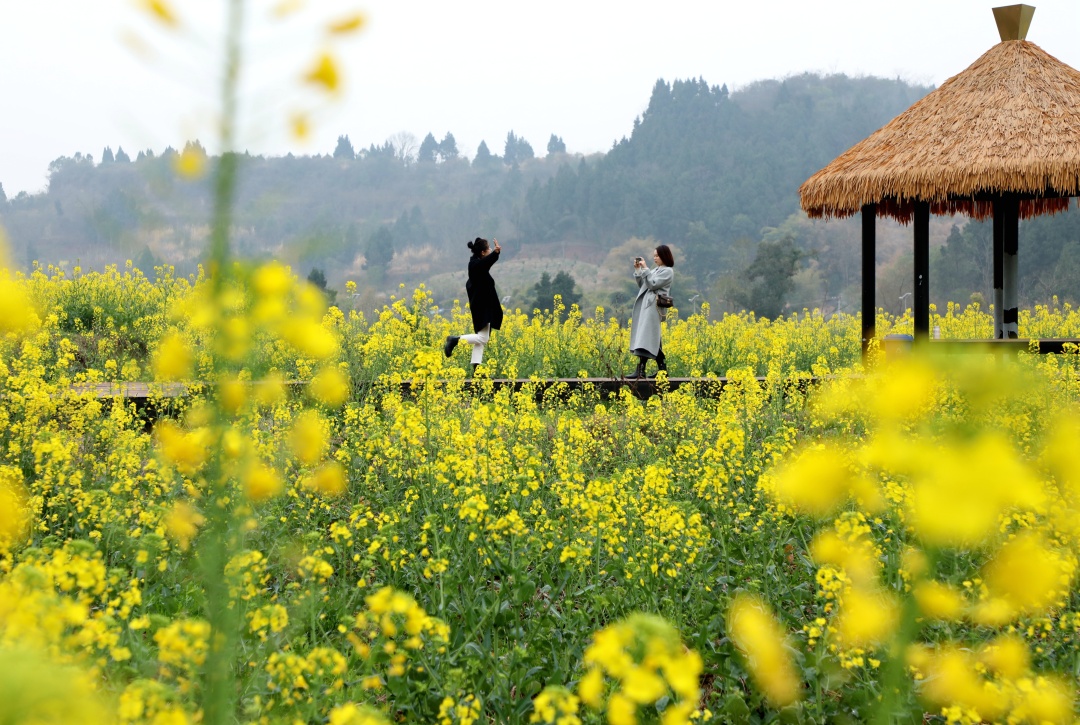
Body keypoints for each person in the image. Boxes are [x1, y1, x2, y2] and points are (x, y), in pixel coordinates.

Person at [444, 237, 504, 373]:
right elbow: (486, 264)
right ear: (483, 252)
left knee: (481, 339)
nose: (490, 250)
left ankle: (476, 370)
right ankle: (455, 340)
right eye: (488, 248)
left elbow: (486, 264)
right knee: (483, 338)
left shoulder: (477, 264)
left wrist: (495, 253)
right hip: (482, 308)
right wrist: (496, 253)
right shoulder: (475, 266)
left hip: (483, 307)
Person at [626, 244, 674, 379]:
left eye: (657, 256)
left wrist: (646, 269)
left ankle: (641, 371)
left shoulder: (668, 271)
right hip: (647, 306)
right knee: (650, 338)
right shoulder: (655, 270)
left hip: (654, 307)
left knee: (646, 338)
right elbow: (644, 286)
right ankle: (662, 370)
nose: (655, 258)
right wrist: (638, 271)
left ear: (665, 256)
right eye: (654, 256)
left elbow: (653, 285)